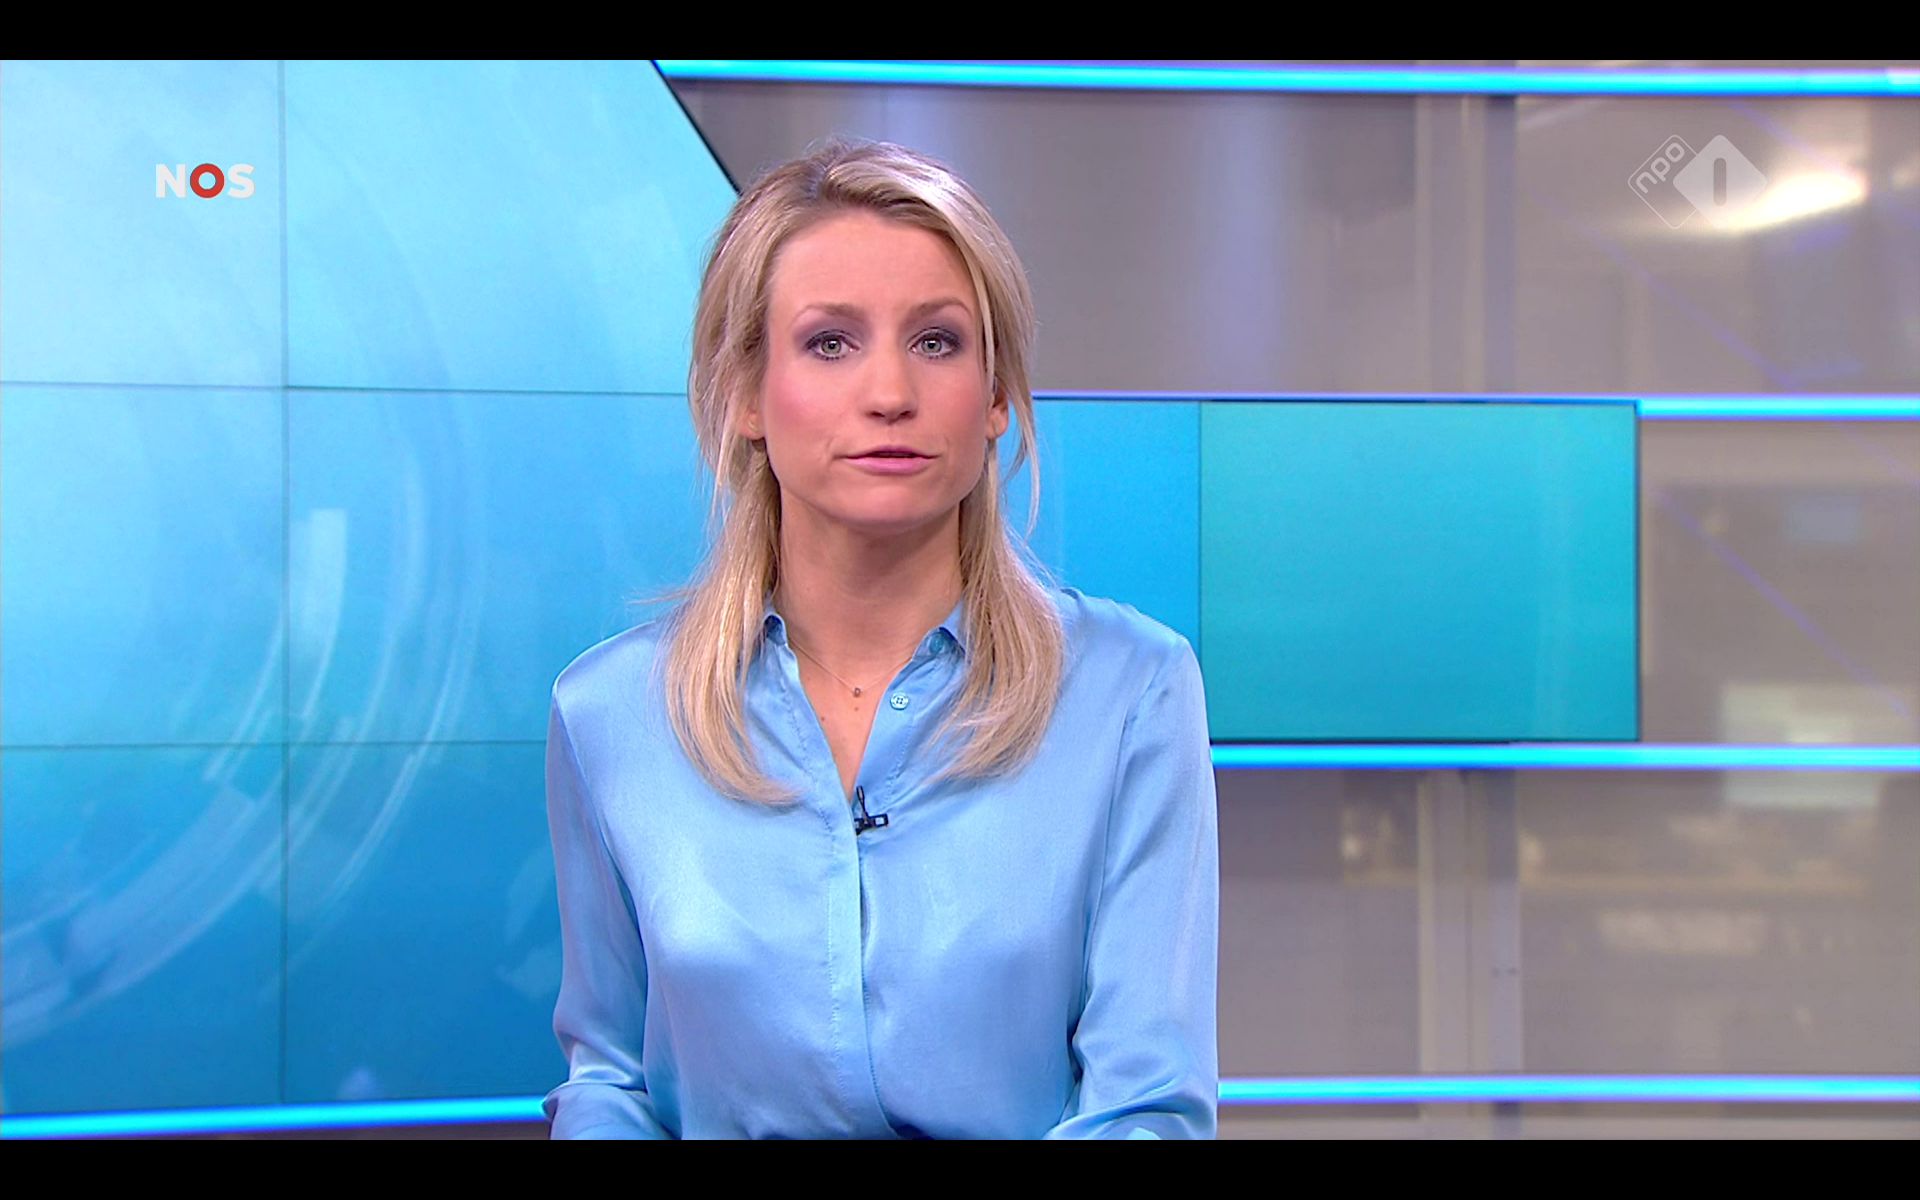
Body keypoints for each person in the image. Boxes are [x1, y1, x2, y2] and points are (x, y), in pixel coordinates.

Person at [540, 135, 1219, 1139]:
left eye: (937, 342)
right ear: (744, 393)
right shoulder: (610, 715)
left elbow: (1147, 1104)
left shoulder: (1131, 691)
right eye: (830, 343)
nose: (890, 393)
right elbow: (612, 1079)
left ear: (997, 396)